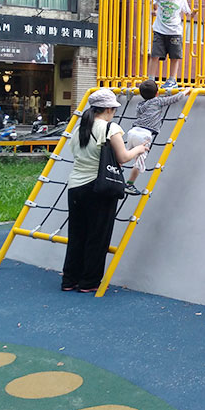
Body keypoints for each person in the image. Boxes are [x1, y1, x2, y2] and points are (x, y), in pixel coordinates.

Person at [63, 88, 148, 292]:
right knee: (97, 236)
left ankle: (69, 280)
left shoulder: (79, 129)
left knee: (77, 235)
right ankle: (89, 282)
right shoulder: (111, 128)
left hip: (75, 186)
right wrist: (140, 149)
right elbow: (123, 157)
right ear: (109, 109)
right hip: (99, 187)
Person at [123, 79, 190, 195]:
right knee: (139, 162)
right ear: (157, 93)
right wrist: (186, 91)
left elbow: (138, 114)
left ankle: (114, 173)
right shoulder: (158, 101)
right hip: (144, 136)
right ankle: (129, 184)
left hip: (132, 132)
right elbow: (175, 98)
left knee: (124, 155)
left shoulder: (140, 104)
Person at [150, 0, 197, 90]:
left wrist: (193, 13)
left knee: (174, 56)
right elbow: (155, 6)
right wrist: (155, 12)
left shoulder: (181, 0)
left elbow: (188, 14)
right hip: (159, 30)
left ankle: (172, 80)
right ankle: (150, 79)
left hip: (175, 32)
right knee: (155, 55)